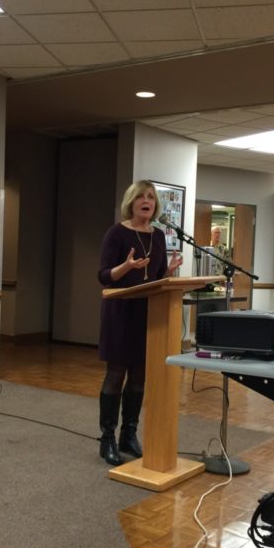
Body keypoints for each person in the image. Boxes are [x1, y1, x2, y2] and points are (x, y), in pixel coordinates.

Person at [96, 180, 183, 466]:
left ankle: (128, 435)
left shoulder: (158, 236)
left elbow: (155, 279)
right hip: (120, 313)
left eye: (151, 197)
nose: (146, 201)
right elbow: (104, 276)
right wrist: (126, 266)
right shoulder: (116, 233)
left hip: (147, 313)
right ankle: (107, 438)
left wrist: (168, 273)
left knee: (139, 376)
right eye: (140, 197)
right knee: (116, 374)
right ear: (131, 203)